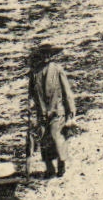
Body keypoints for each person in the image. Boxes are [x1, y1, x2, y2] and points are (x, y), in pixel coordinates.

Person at [27, 44, 76, 179]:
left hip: (57, 111)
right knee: (44, 141)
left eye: (48, 54)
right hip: (41, 114)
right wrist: (30, 111)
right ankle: (49, 168)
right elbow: (31, 95)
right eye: (44, 54)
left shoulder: (57, 69)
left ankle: (61, 164)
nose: (46, 57)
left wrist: (71, 112)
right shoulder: (34, 73)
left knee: (57, 137)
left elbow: (67, 92)